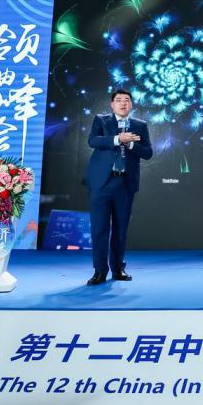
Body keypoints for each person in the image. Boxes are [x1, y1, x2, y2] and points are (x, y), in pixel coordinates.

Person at [83, 89, 152, 285]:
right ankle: (99, 271)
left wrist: (130, 145)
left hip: (124, 183)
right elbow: (93, 141)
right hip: (101, 183)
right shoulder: (101, 120)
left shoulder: (140, 125)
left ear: (131, 105)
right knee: (99, 228)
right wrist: (117, 139)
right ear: (112, 104)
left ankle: (118, 268)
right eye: (119, 100)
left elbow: (148, 153)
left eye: (127, 100)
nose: (123, 103)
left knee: (121, 229)